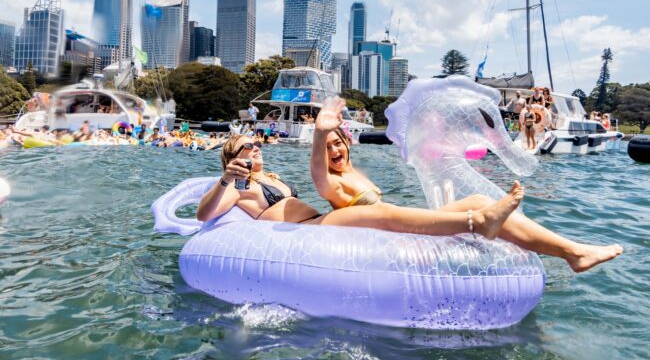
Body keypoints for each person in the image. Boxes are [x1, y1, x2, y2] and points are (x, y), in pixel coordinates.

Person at [197, 132, 622, 273]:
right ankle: (479, 222)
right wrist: (225, 179)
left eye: (255, 147)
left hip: (326, 222)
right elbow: (204, 214)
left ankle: (572, 251)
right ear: (231, 157)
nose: (253, 153)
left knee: (475, 196)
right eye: (243, 150)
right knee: (382, 213)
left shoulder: (268, 175)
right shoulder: (239, 184)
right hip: (309, 232)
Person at [307, 96, 623, 272]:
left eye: (337, 144)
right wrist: (320, 132)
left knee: (479, 200)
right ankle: (571, 253)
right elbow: (319, 178)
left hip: (397, 225)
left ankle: (572, 252)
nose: (334, 151)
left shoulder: (354, 173)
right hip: (385, 239)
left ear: (347, 143)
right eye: (328, 147)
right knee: (480, 212)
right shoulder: (332, 183)